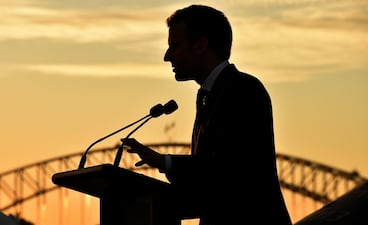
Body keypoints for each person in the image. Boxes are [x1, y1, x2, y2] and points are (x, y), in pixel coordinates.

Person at [121, 4, 293, 225]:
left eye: (175, 46)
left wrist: (164, 161)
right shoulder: (209, 95)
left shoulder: (243, 90)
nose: (167, 56)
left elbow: (228, 172)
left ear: (200, 45)